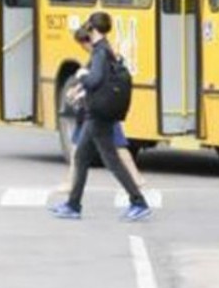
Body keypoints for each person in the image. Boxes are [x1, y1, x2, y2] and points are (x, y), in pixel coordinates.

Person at [50, 12, 151, 221]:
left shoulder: (100, 51)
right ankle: (73, 205)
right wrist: (80, 88)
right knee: (81, 157)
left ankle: (138, 202)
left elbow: (95, 80)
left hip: (99, 114)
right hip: (96, 113)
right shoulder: (104, 49)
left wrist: (81, 76)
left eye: (88, 26)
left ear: (92, 29)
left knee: (111, 160)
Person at [57, 26, 146, 193]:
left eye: (82, 44)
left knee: (105, 150)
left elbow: (95, 80)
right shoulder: (101, 52)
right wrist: (77, 90)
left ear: (87, 41)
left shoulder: (99, 55)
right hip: (99, 108)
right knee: (104, 147)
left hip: (98, 110)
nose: (83, 48)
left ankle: (135, 189)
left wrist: (78, 90)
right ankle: (136, 179)